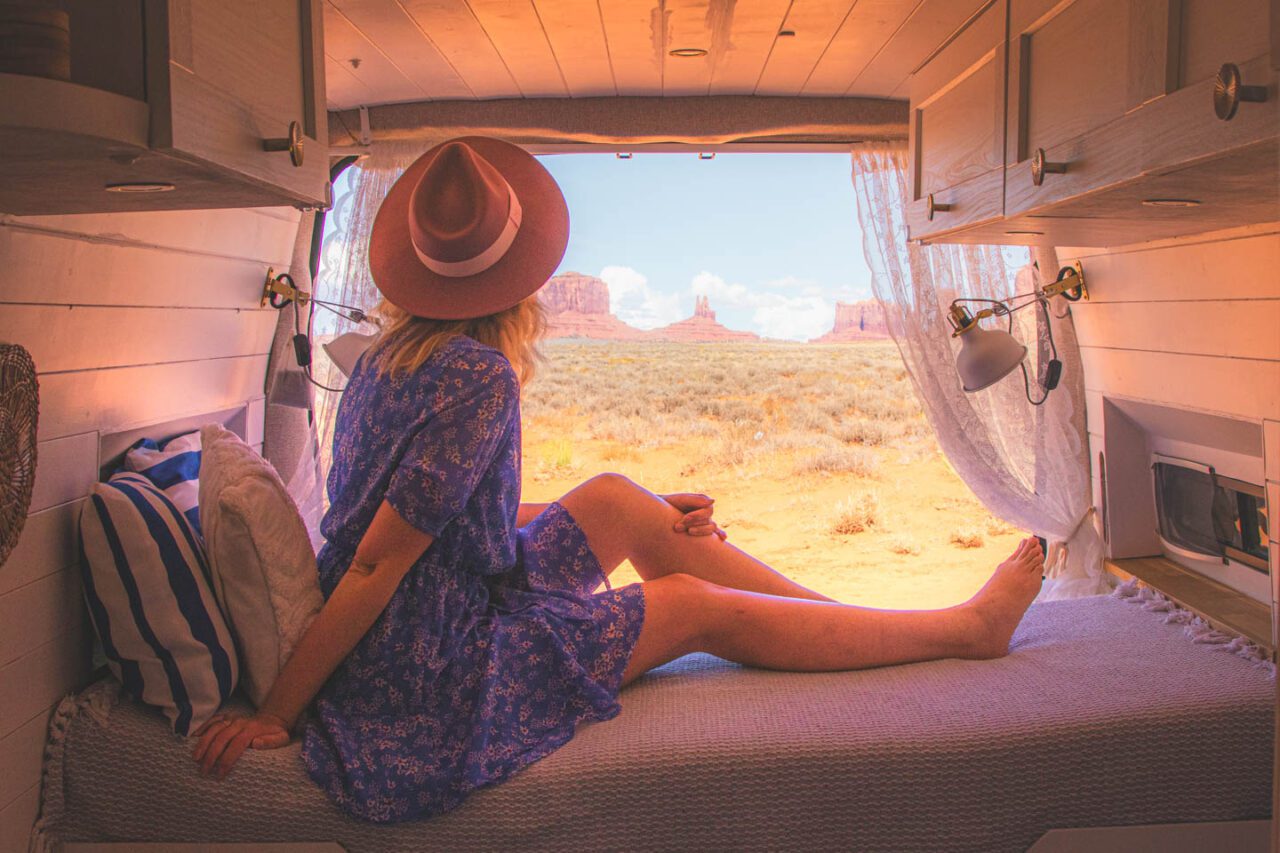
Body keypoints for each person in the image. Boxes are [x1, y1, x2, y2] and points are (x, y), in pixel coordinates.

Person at [192, 137, 1045, 823]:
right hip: (430, 664)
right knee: (690, 605)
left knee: (611, 498)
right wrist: (280, 708)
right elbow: (380, 564)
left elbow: (435, 517)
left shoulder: (385, 358)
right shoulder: (477, 376)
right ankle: (963, 630)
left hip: (437, 601)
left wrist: (636, 513)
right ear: (516, 276)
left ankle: (844, 628)